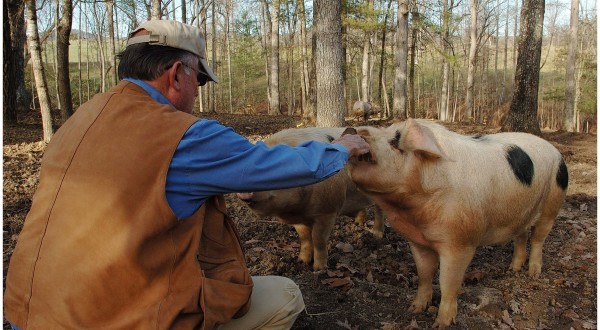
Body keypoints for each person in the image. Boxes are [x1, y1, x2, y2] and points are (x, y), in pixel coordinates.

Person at [4, 20, 370, 330]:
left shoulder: (78, 121)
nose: (198, 91)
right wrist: (342, 147)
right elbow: (281, 166)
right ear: (177, 74)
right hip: (110, 318)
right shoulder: (182, 135)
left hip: (23, 310)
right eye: (200, 80)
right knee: (285, 295)